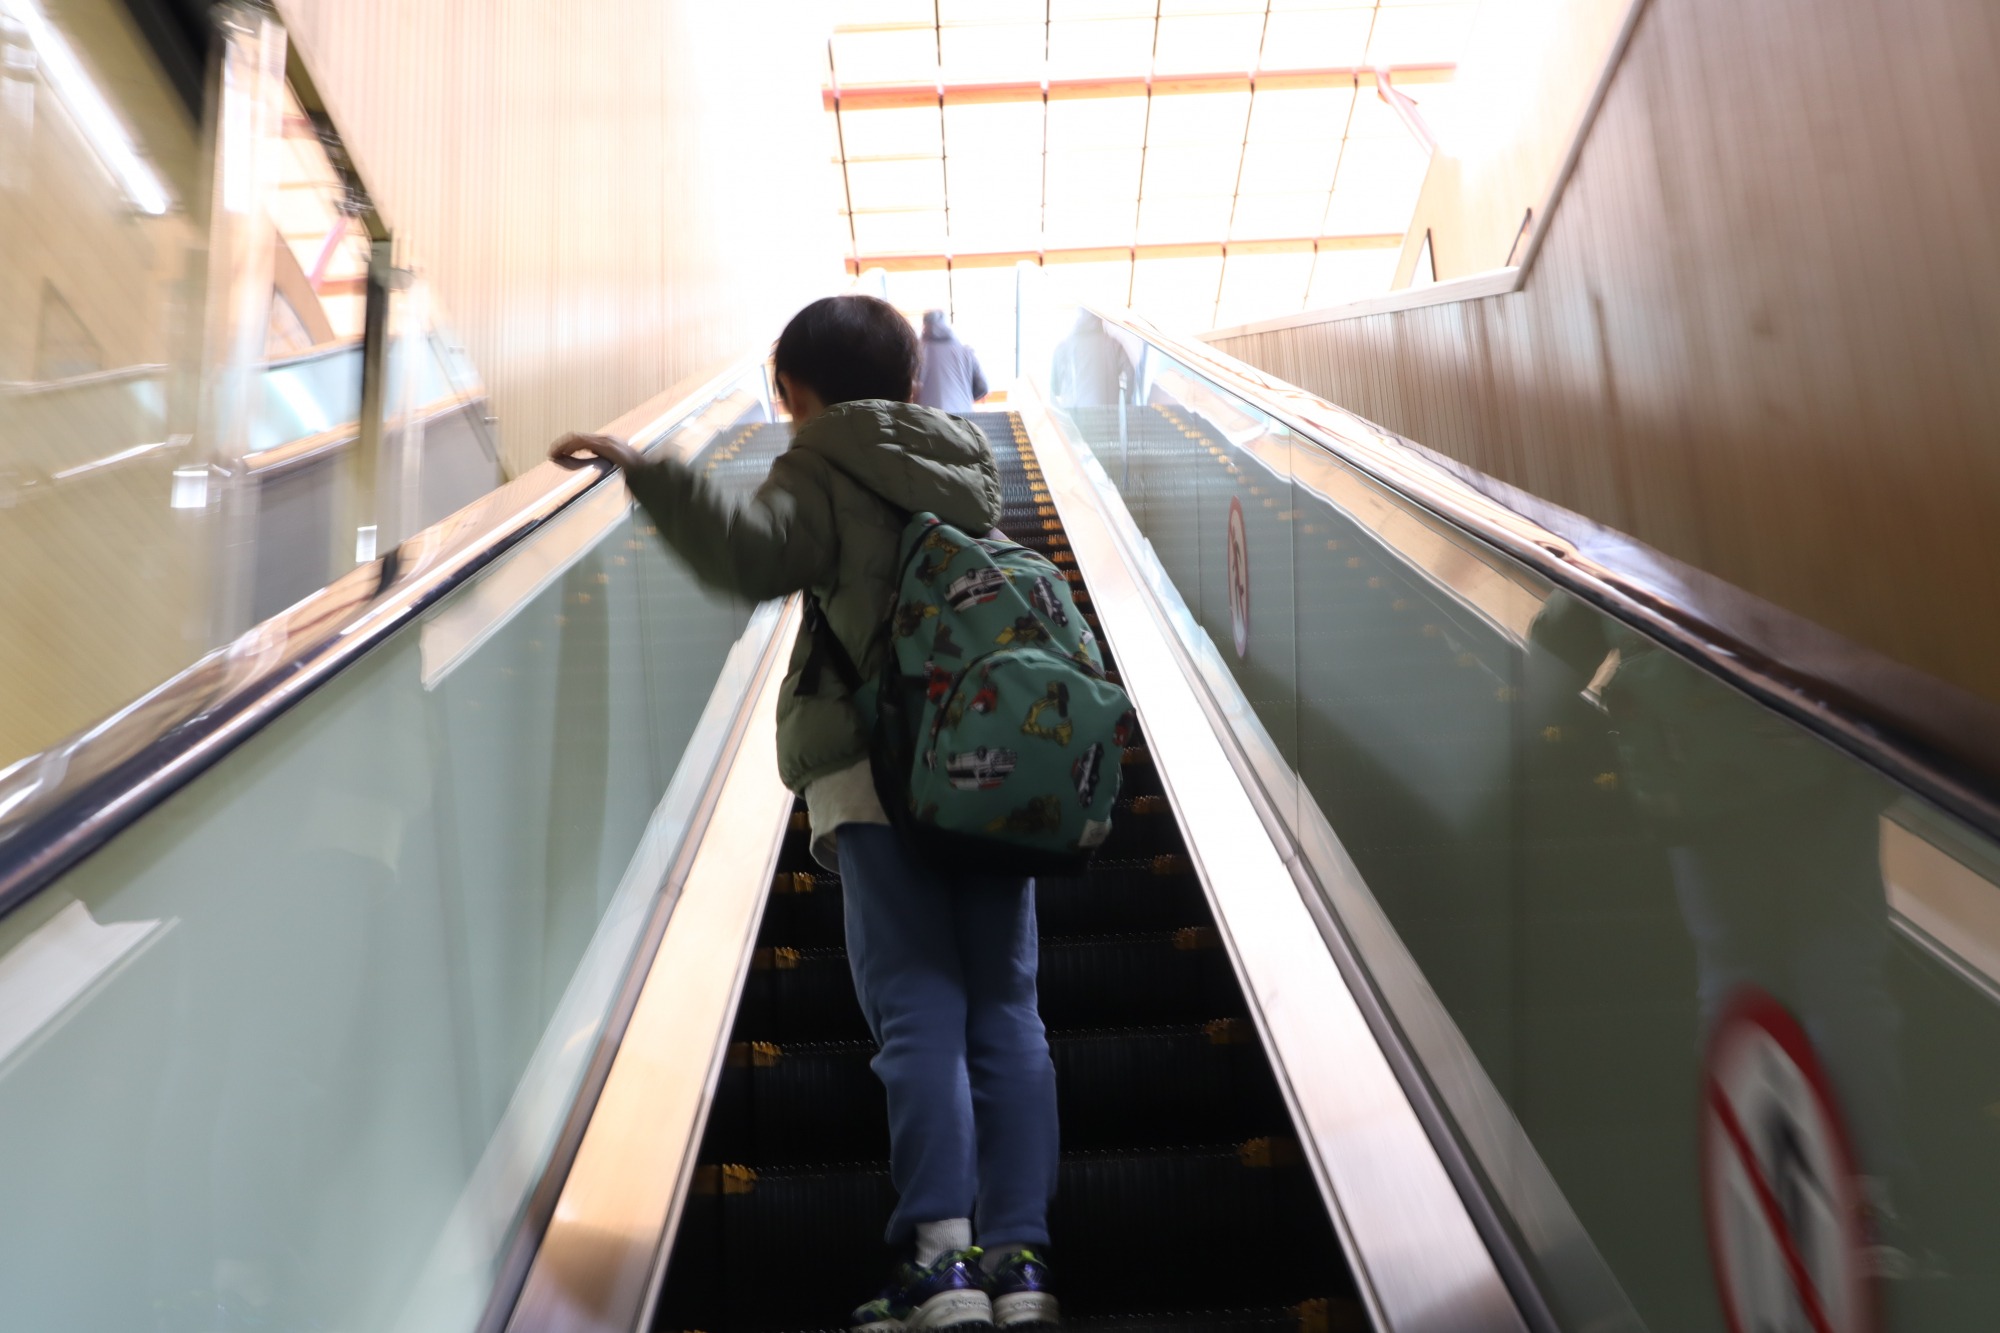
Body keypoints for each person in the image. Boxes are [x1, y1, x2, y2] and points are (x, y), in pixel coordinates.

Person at [550, 294, 1060, 1332]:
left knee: (918, 1008)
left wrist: (649, 472)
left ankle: (941, 1262)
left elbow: (748, 558)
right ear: (915, 382)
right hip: (998, 776)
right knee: (1007, 1012)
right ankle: (1023, 1261)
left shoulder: (820, 463)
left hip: (881, 783)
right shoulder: (965, 461)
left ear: (790, 392)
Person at [914, 309, 989, 414]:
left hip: (928, 419)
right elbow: (983, 387)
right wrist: (963, 397)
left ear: (925, 326)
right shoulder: (965, 352)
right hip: (962, 417)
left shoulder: (917, 352)